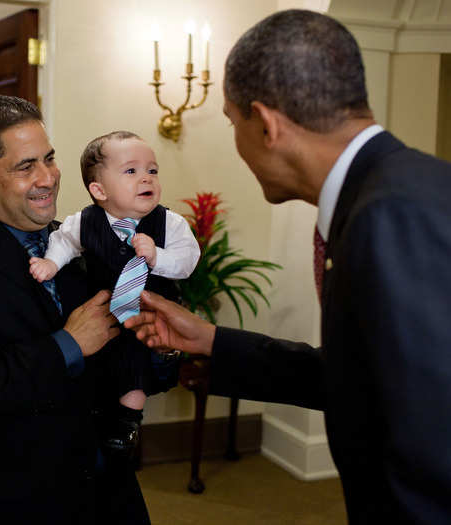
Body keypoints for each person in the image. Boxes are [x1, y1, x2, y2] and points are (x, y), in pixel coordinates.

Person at [125, 9, 451, 524]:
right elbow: (358, 377)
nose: (237, 146)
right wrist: (212, 340)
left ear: (268, 125)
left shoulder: (392, 216)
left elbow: (432, 446)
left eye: (234, 123)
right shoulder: (388, 194)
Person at [0, 95, 150, 524]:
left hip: (108, 486)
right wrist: (68, 345)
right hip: (19, 496)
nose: (48, 178)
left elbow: (119, 358)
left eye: (50, 159)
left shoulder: (85, 240)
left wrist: (155, 343)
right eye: (25, 167)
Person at [29, 130, 199, 454]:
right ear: (99, 189)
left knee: (136, 364)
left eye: (152, 170)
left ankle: (129, 420)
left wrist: (157, 256)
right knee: (100, 366)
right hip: (105, 315)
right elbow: (64, 241)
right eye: (131, 171)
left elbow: (188, 260)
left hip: (148, 318)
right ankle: (100, 415)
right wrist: (51, 264)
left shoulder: (170, 224)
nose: (146, 178)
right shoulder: (85, 221)